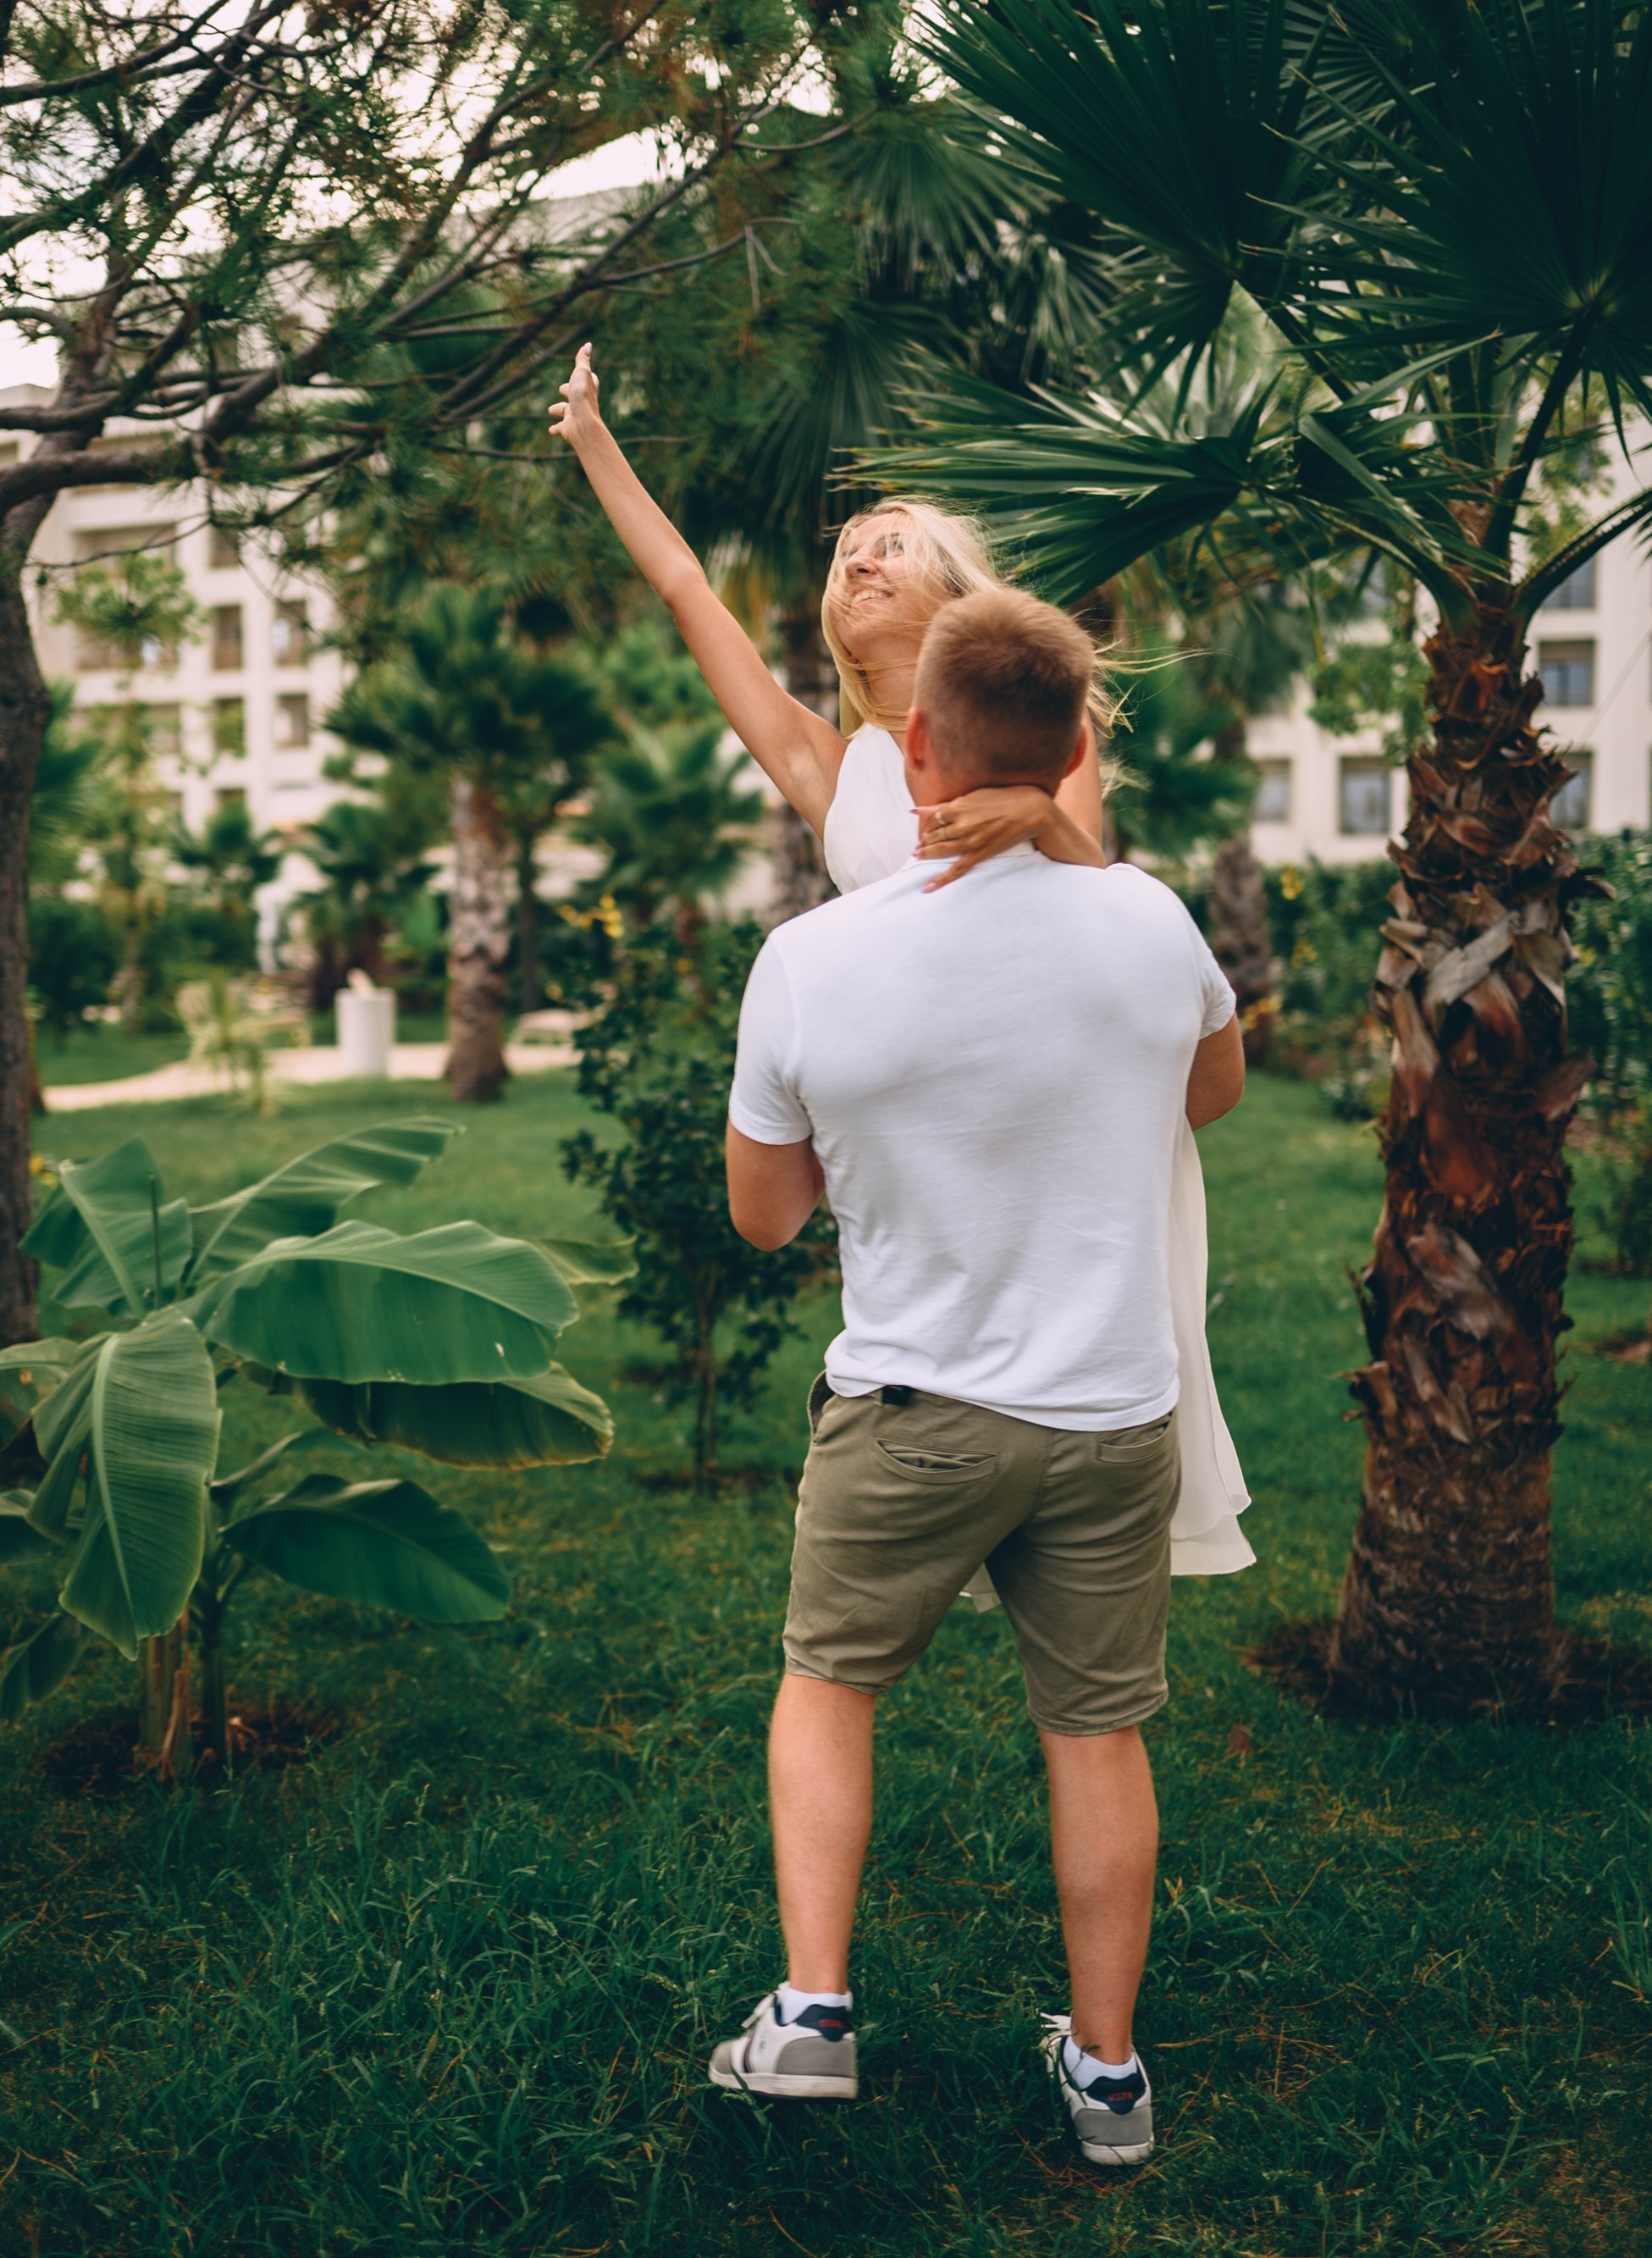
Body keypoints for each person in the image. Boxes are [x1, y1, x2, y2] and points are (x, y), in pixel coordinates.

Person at [548, 343, 1253, 1575]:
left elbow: (1095, 886)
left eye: (891, 544)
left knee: (1078, 1372)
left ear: (958, 593)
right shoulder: (827, 765)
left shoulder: (1042, 727)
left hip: (1060, 1093)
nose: (858, 559)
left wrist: (1033, 811)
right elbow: (683, 586)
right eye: (846, 553)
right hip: (930, 1122)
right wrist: (596, 443)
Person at [713, 588, 1246, 2167]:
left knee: (830, 1687)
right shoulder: (1150, 922)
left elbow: (763, 1216)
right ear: (1075, 750)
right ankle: (1110, 2077)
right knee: (1097, 1733)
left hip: (912, 1416)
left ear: (919, 752)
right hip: (1112, 1418)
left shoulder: (810, 959)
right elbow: (1209, 1091)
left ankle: (814, 2015)